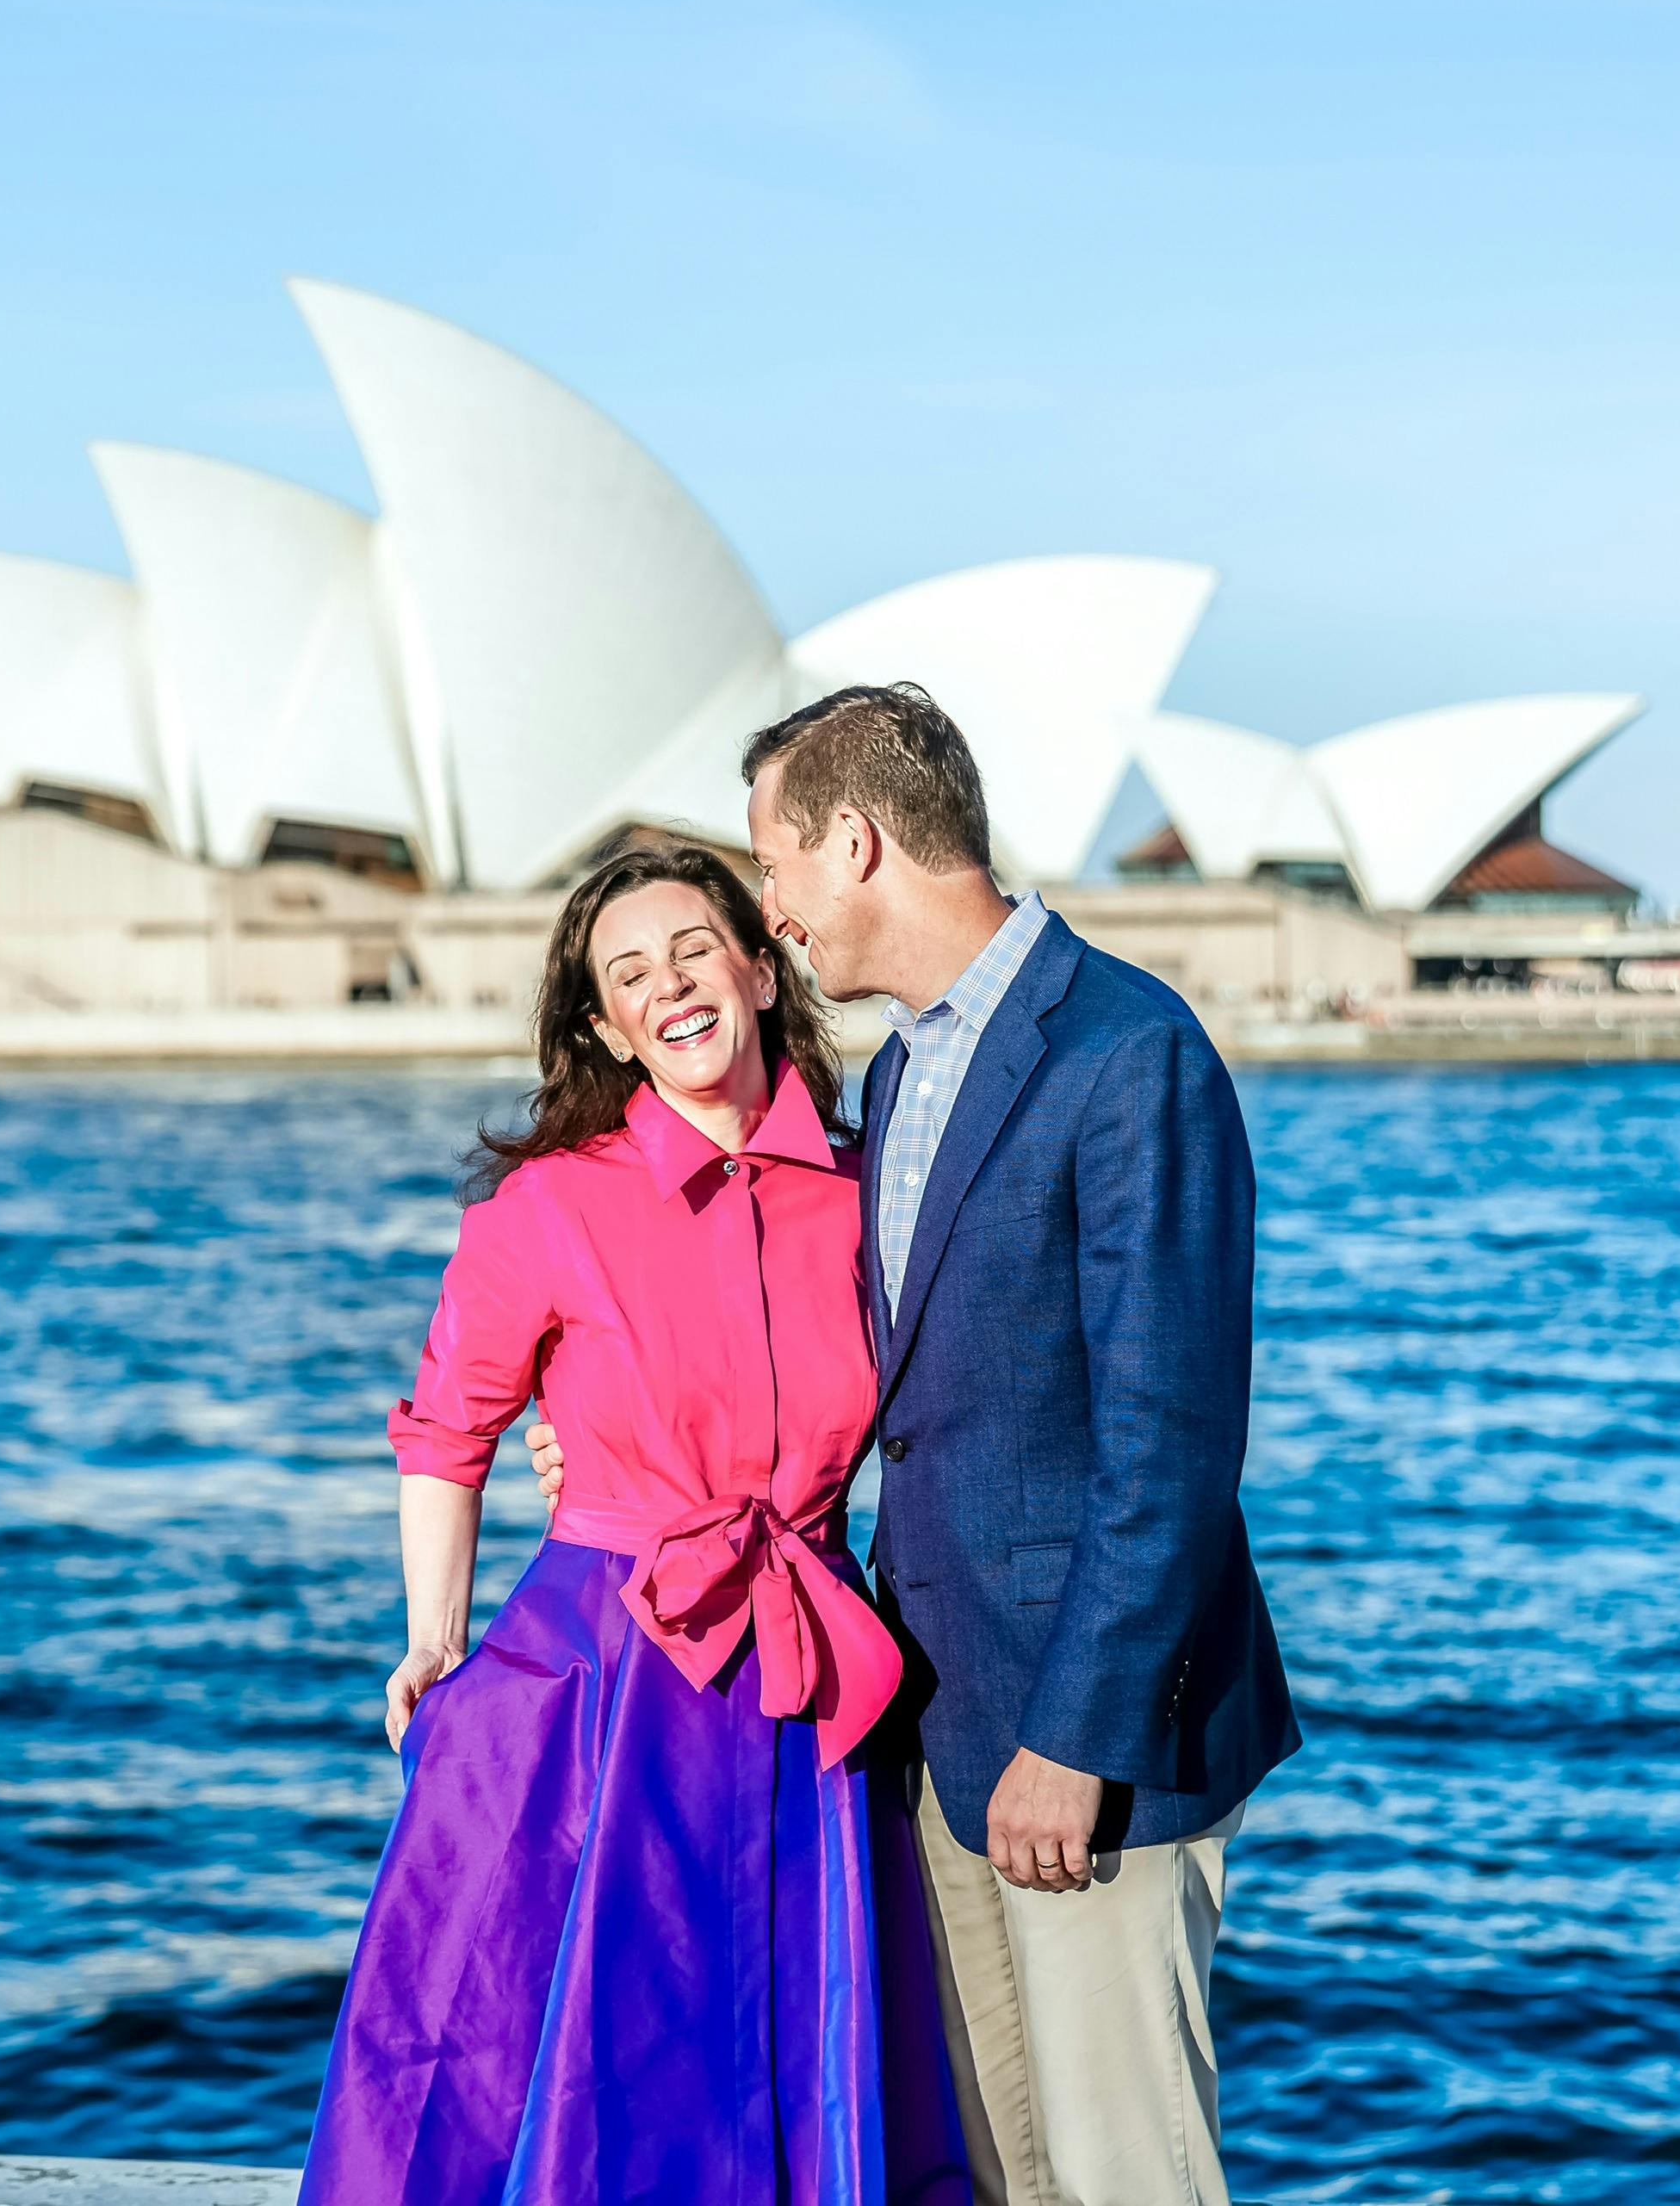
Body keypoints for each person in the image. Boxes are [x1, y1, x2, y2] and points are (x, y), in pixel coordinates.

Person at [536, 685, 1299, 2206]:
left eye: (774, 865)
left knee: (1125, 2170)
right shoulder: (895, 1076)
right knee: (1000, 2171)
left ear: (858, 842)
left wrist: (1074, 1743)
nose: (771, 911)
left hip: (1089, 1756)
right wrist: (618, 1445)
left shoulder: (1127, 1052)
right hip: (942, 1737)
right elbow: (852, 1373)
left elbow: (1170, 1445)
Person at [298, 839, 970, 2206]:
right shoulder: (546, 1204)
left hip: (808, 1668)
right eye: (629, 974)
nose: (670, 986)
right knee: (589, 2058)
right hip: (604, 1672)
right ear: (607, 1024)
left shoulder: (867, 1188)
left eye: (693, 951)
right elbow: (448, 1431)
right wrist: (432, 1639)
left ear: (762, 970)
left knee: (791, 2051)